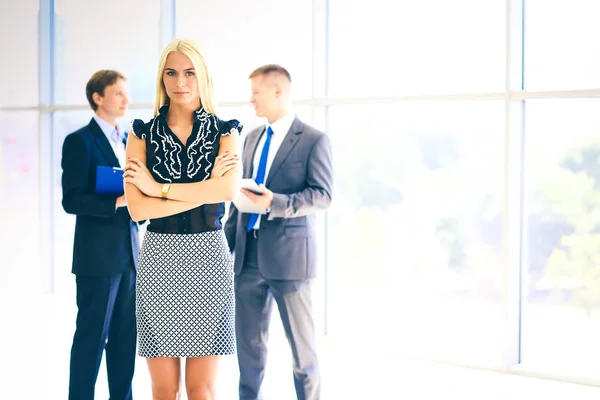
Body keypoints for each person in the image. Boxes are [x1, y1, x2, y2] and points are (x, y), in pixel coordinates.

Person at [123, 38, 242, 400]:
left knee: (202, 389)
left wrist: (158, 188)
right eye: (171, 73)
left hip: (209, 258)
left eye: (189, 73)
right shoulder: (140, 134)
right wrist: (203, 188)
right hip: (159, 257)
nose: (180, 82)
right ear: (162, 79)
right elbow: (137, 211)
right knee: (163, 390)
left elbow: (225, 193)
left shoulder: (227, 131)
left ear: (202, 76)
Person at [224, 64, 334, 400]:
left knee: (303, 355)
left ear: (277, 91)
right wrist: (222, 247)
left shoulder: (314, 139)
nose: (251, 100)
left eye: (255, 92)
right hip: (248, 258)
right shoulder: (252, 138)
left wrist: (277, 202)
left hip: (290, 262)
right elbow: (238, 197)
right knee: (249, 354)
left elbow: (322, 195)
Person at [61, 69, 139, 400]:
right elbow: (72, 199)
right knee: (92, 338)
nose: (126, 100)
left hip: (130, 254)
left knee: (125, 339)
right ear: (98, 97)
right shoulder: (80, 141)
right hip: (97, 257)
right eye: (119, 93)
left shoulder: (131, 140)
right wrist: (119, 201)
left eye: (126, 93)